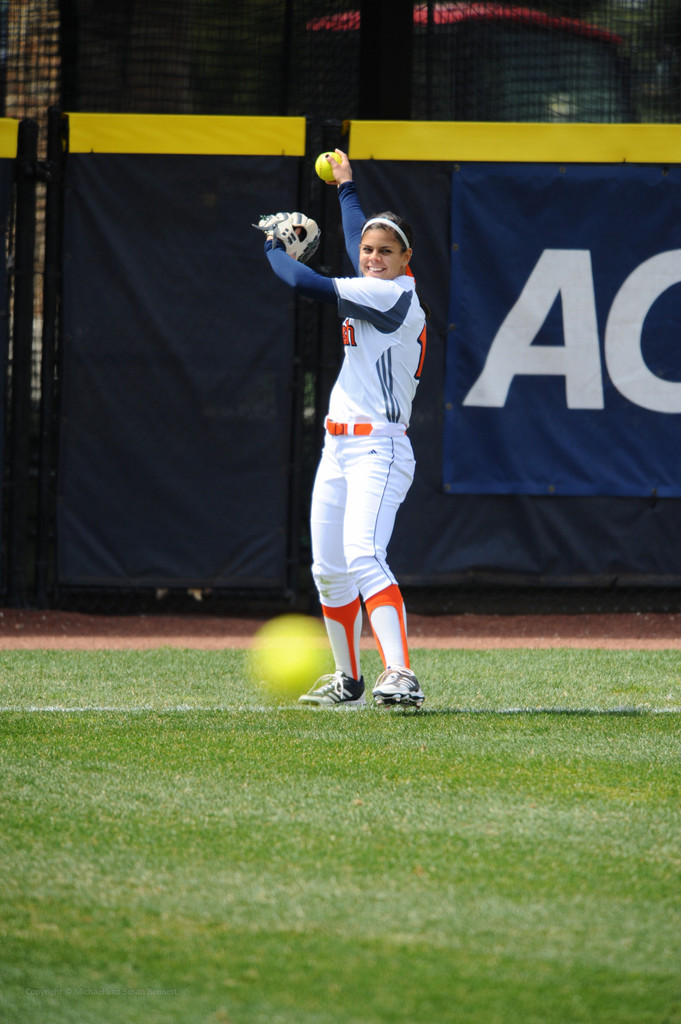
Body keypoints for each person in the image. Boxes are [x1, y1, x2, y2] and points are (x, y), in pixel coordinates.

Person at [261, 149, 428, 708]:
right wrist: (346, 186)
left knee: (362, 554)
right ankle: (348, 680)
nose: (374, 257)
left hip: (379, 449)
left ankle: (400, 673)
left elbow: (302, 282)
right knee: (329, 569)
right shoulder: (375, 277)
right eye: (370, 252)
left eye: (387, 251)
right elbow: (360, 235)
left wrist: (272, 247)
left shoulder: (391, 295)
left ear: (408, 259)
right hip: (339, 447)